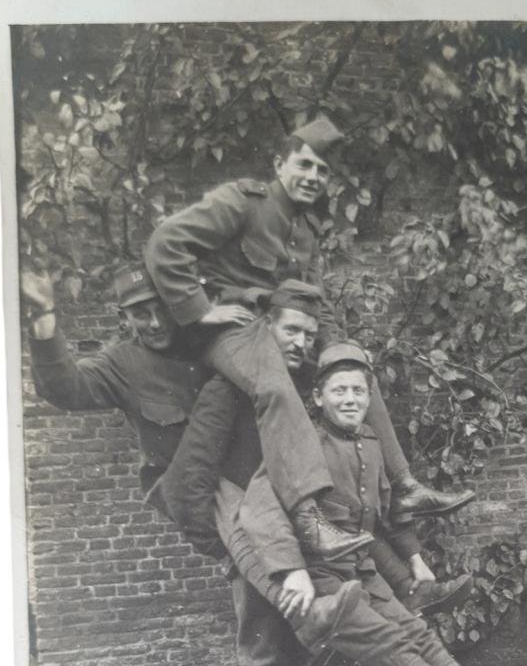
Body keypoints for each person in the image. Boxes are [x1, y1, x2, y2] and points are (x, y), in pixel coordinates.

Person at [22, 266, 465, 666]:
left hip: (277, 502)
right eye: (138, 313)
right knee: (260, 649)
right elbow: (64, 388)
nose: (153, 322)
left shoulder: (214, 340)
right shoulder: (122, 363)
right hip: (222, 508)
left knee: (294, 642)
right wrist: (44, 318)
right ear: (122, 317)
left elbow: (287, 337)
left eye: (160, 308)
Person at [163, 338, 527, 666]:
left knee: (416, 633)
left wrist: (413, 562)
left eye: (358, 391)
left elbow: (382, 516)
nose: (350, 399)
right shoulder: (301, 443)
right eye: (338, 391)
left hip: (357, 569)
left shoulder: (369, 443)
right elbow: (259, 509)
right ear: (318, 398)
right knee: (359, 649)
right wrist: (292, 573)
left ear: (370, 398)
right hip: (308, 575)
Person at [144, 114, 475, 560]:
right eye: (304, 165)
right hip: (232, 331)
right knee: (275, 387)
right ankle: (309, 518)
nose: (313, 176)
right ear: (279, 164)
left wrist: (338, 348)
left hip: (283, 329)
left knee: (352, 367)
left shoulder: (305, 228)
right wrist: (200, 310)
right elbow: (166, 243)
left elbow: (313, 300)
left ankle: (404, 486)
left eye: (322, 170)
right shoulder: (241, 202)